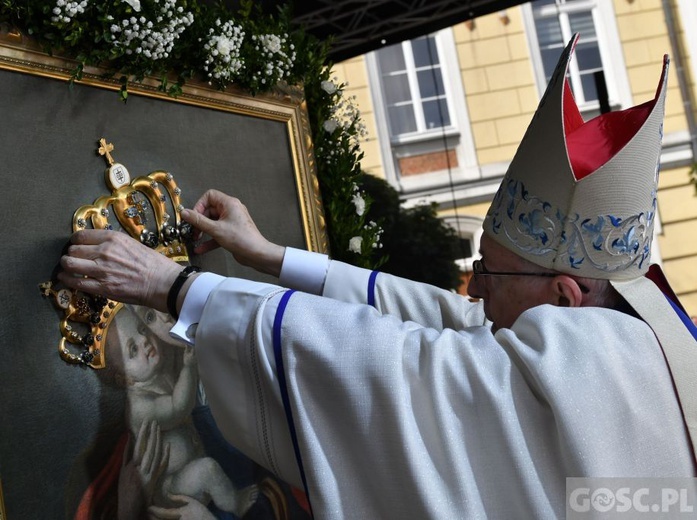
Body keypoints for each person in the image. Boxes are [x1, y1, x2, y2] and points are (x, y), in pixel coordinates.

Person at [58, 35, 697, 518]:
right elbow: (451, 324)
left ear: (563, 295)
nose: (473, 290)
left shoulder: (580, 358)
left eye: (492, 272)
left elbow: (393, 365)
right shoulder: (640, 336)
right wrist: (273, 256)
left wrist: (174, 288)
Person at [101, 304, 259, 517]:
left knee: (209, 469)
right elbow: (179, 408)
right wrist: (188, 367)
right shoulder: (139, 407)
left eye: (142, 330)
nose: (144, 341)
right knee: (208, 469)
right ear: (125, 379)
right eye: (133, 349)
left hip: (191, 471)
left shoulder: (156, 377)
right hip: (172, 488)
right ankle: (236, 504)